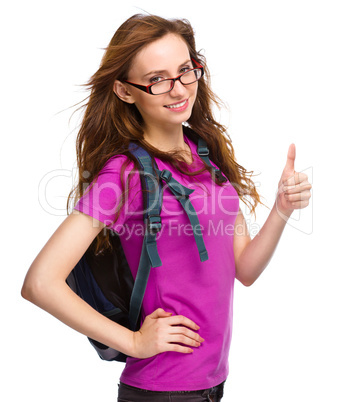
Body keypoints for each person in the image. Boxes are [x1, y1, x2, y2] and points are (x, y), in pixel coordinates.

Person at [21, 14, 312, 402]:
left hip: (211, 385)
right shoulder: (122, 174)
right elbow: (40, 283)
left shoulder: (205, 154)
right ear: (126, 91)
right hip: (162, 392)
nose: (178, 90)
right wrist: (135, 342)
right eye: (157, 79)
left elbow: (244, 269)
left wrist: (281, 209)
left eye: (185, 71)